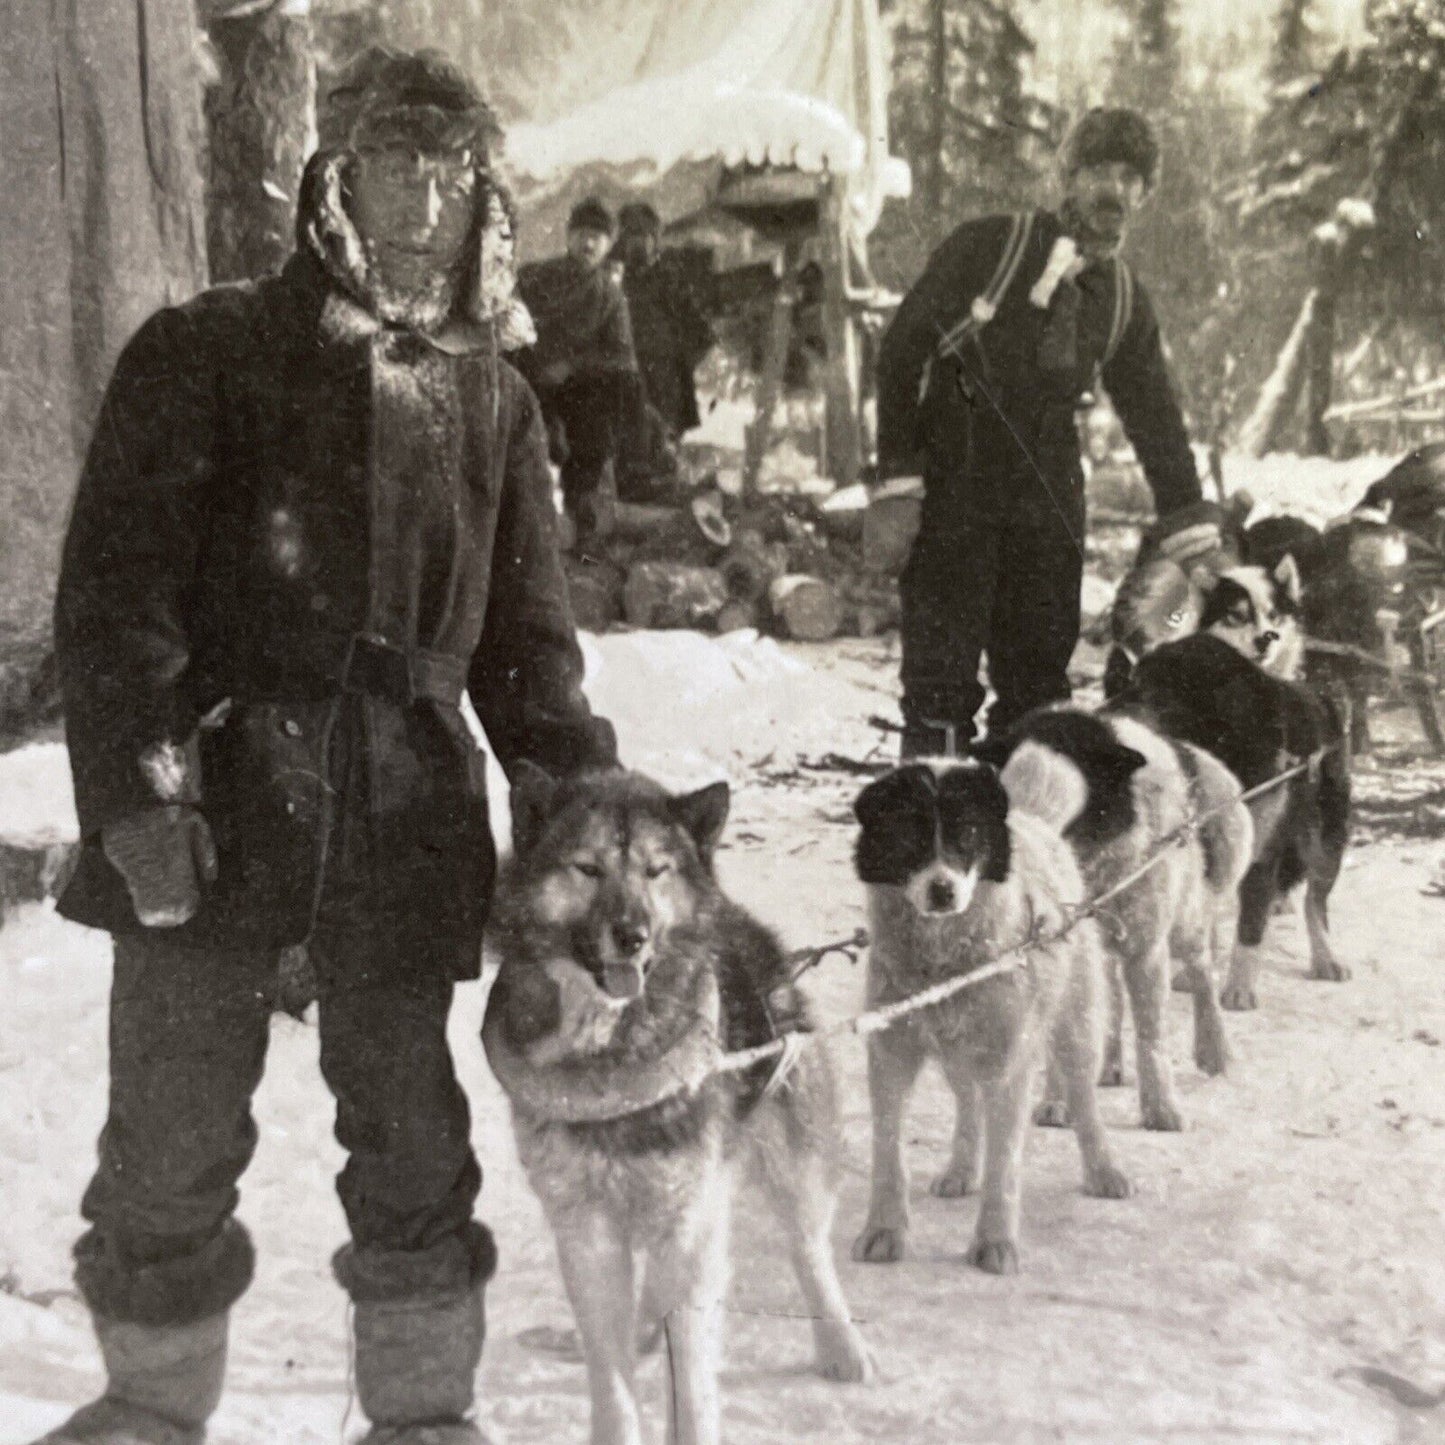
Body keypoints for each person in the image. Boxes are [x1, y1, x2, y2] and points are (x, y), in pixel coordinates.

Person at [44, 47, 617, 1445]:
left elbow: (529, 657)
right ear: (333, 182)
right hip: (223, 805)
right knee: (170, 1144)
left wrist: (585, 823)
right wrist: (144, 798)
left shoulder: (498, 401)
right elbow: (118, 604)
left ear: (486, 196)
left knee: (413, 1141)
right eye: (388, 162)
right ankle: (147, 1407)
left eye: (448, 168)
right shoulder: (208, 350)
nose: (418, 197)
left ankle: (421, 1415)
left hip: (405, 819)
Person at [875, 106, 1223, 758]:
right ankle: (935, 828)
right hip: (960, 469)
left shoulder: (1120, 297)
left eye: (1129, 178)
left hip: (1049, 488)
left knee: (1037, 683)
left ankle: (1022, 833)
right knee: (939, 681)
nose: (1112, 191)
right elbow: (900, 351)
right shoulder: (989, 245)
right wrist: (897, 478)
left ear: (1143, 195)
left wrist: (1188, 521)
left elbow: (1154, 416)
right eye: (1098, 171)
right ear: (1067, 176)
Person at [516, 197, 638, 541]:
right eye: (582, 233)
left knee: (602, 407)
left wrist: (571, 366)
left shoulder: (610, 297)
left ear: (609, 244)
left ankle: (580, 507)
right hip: (527, 377)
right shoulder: (535, 277)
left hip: (575, 391)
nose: (588, 243)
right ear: (568, 237)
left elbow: (622, 356)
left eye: (597, 237)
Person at [611, 201, 713, 494]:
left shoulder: (669, 281)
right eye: (631, 237)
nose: (637, 244)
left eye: (643, 236)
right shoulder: (616, 284)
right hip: (629, 379)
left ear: (655, 241)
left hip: (666, 384)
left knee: (664, 451)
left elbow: (702, 333)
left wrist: (679, 365)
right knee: (628, 449)